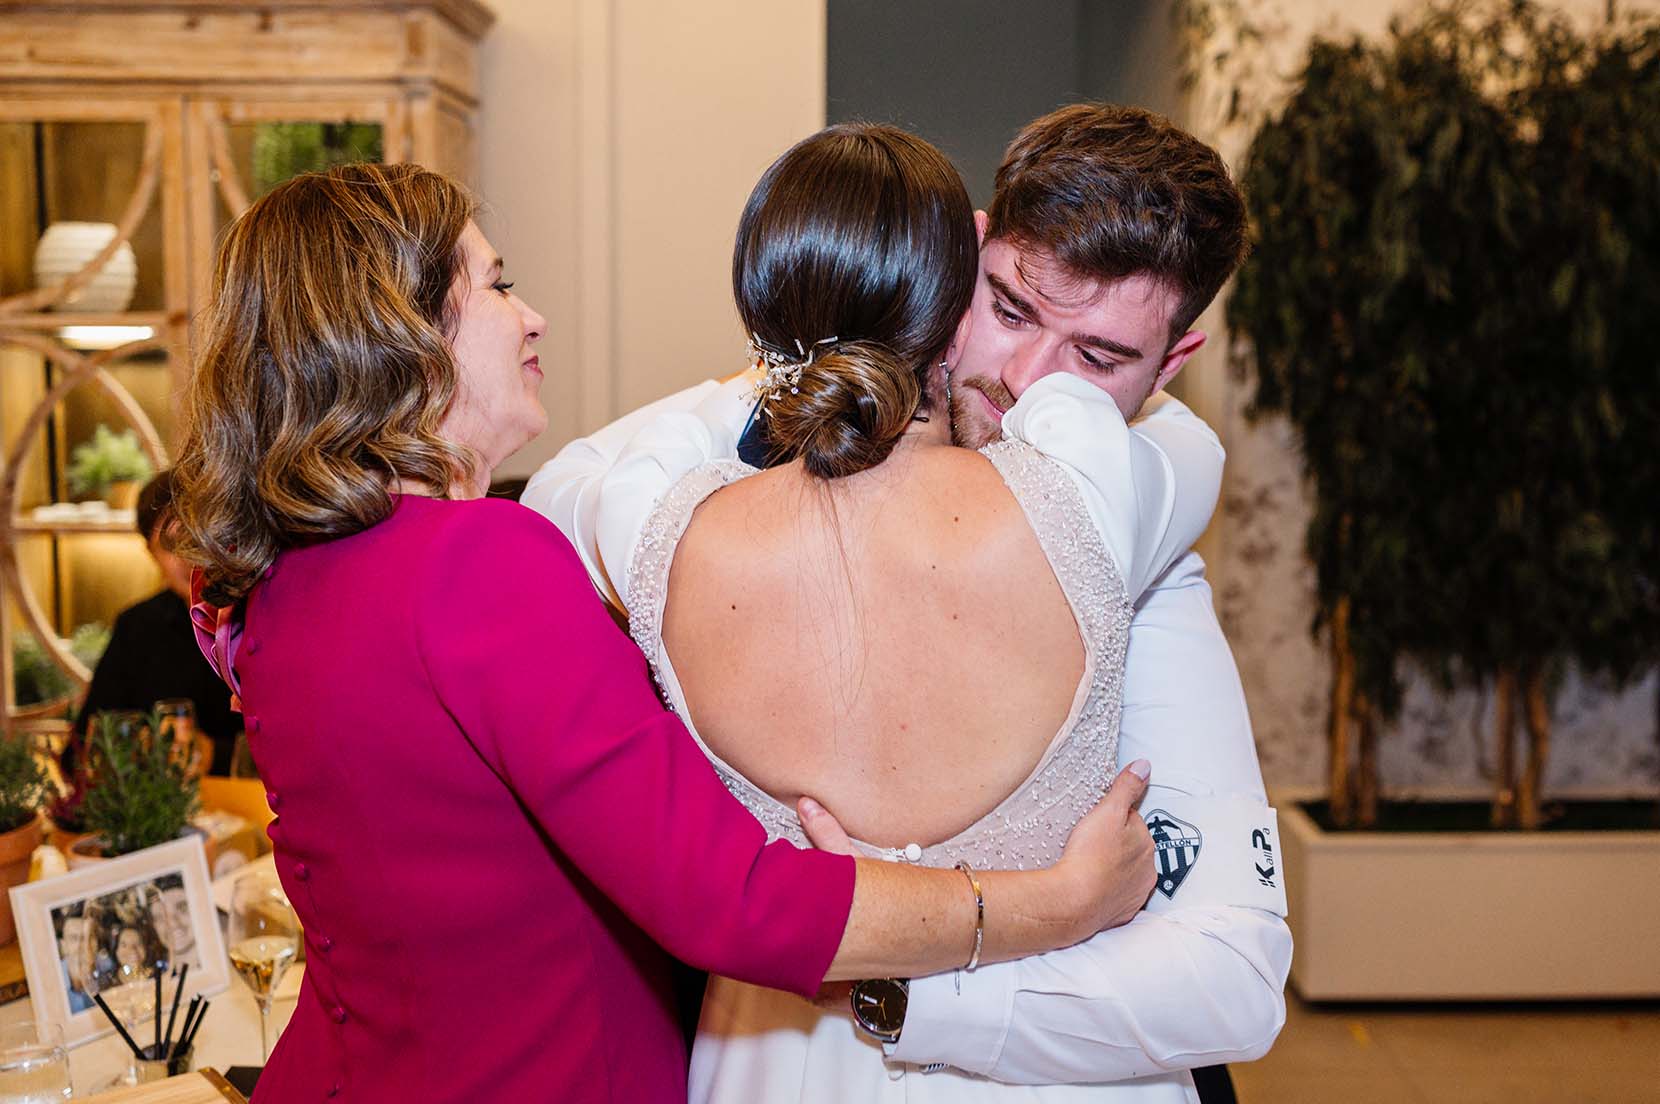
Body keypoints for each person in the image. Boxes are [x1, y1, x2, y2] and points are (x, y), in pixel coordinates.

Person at [170, 161, 1161, 1104]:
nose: (532, 315)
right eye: (498, 285)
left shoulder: (283, 580)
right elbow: (729, 901)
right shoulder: (476, 563)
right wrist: (1059, 901)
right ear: (403, 333)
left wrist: (804, 359)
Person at [523, 105, 1290, 1102]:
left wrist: (895, 989)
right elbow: (563, 490)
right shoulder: (737, 499)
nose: (1026, 382)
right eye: (1009, 310)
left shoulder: (1146, 563)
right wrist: (813, 367)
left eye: (1097, 360)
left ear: (1168, 369)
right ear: (960, 258)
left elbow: (1230, 979)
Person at [71, 470, 239, 775]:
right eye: (172, 544)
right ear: (150, 553)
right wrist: (136, 748)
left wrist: (216, 755)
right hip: (162, 801)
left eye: (198, 539)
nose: (190, 558)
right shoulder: (137, 626)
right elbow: (84, 747)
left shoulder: (262, 618)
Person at [56, 911, 94, 1013]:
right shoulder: (52, 982)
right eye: (74, 938)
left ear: (96, 943)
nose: (82, 946)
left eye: (88, 938)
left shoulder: (110, 968)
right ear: (63, 945)